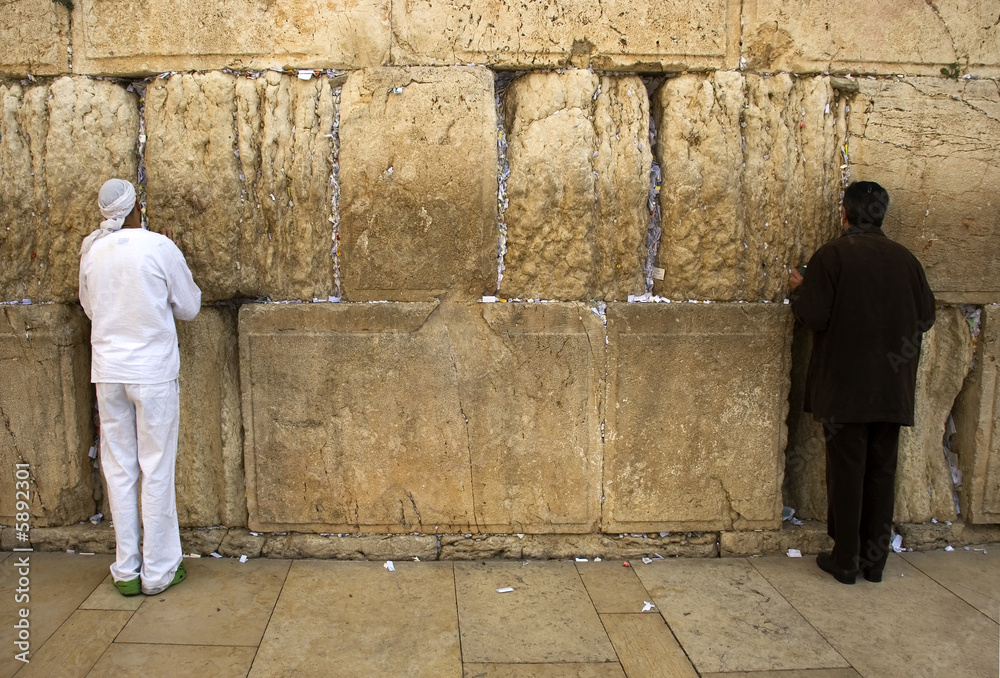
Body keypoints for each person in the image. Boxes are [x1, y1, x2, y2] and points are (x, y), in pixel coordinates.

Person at [788, 181, 935, 585]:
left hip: (846, 390)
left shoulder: (832, 256)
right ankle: (875, 561)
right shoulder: (906, 260)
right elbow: (926, 317)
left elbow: (813, 316)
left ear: (844, 213)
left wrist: (801, 291)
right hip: (892, 390)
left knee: (847, 471)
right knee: (881, 471)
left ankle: (846, 559)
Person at [79, 178, 201, 596]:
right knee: (156, 467)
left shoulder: (93, 251)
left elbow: (91, 308)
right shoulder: (158, 247)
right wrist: (173, 256)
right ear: (137, 206)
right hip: (151, 373)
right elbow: (189, 306)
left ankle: (127, 569)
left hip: (109, 373)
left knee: (118, 468)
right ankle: (159, 570)